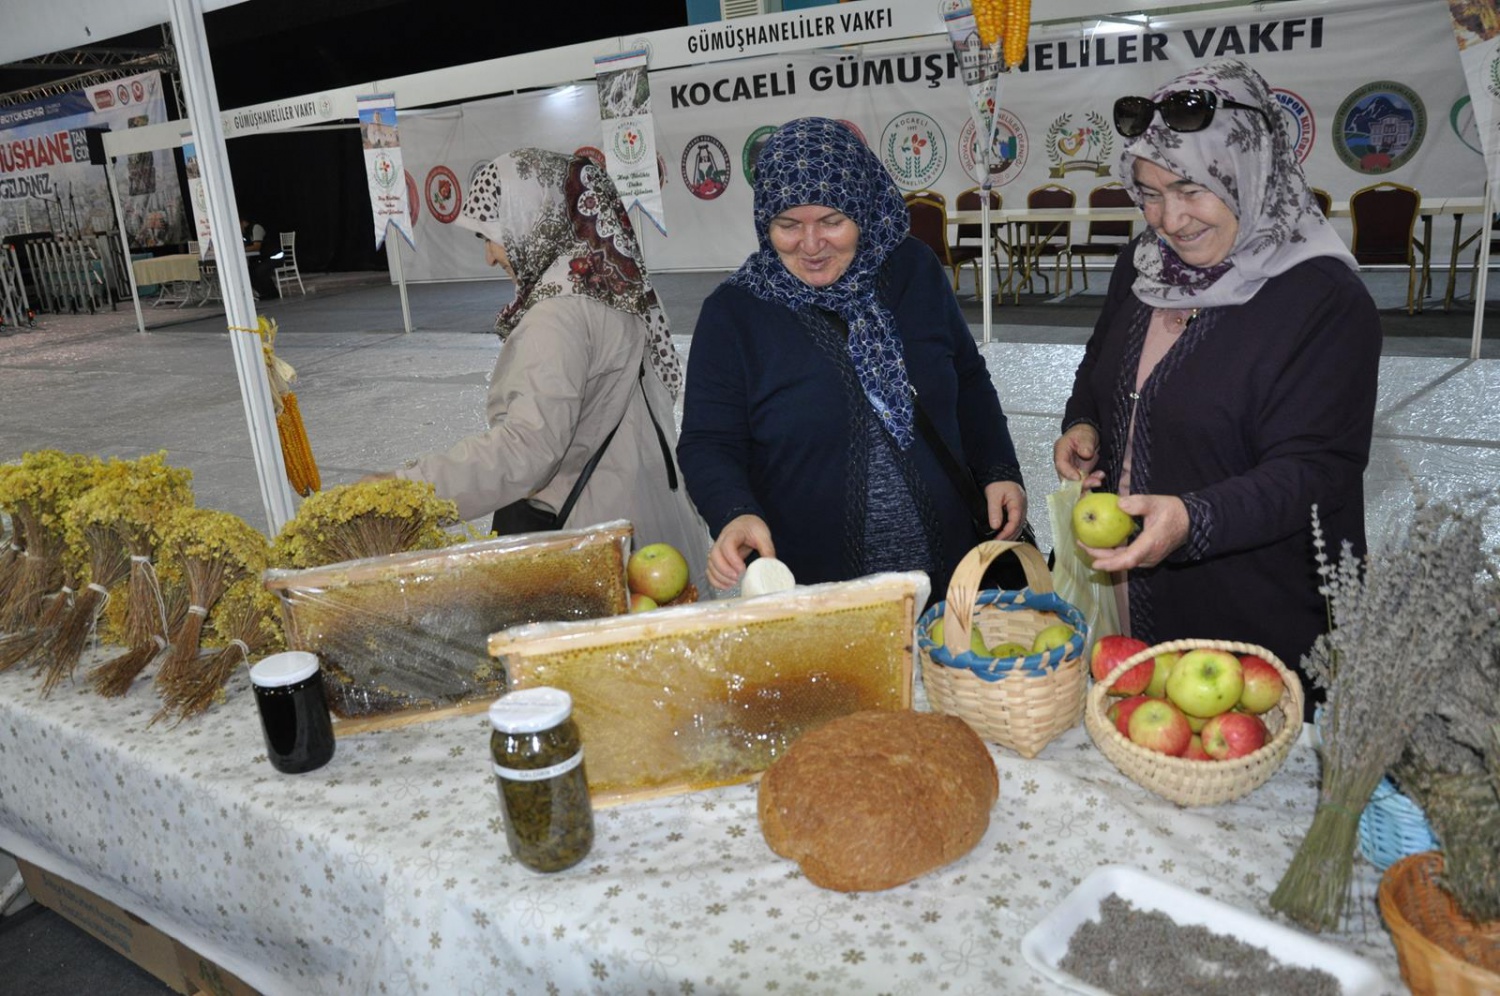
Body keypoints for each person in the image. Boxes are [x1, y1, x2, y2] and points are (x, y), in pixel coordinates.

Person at [1051, 59, 1380, 710]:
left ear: (1249, 170)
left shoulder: (1322, 298)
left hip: (1253, 610)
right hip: (1132, 596)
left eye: (1193, 189)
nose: (1170, 219)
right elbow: (1101, 366)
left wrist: (1193, 519)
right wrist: (1085, 422)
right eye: (1148, 192)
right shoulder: (1142, 266)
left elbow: (1317, 468)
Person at [677, 117, 1028, 602]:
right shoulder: (735, 314)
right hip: (816, 584)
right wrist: (733, 510)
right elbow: (707, 442)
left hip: (953, 570)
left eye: (832, 221)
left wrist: (998, 468)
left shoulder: (914, 271)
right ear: (764, 222)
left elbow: (967, 379)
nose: (812, 244)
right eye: (788, 225)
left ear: (863, 207)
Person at [372, 149, 711, 594]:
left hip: (591, 535)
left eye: (490, 236)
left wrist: (403, 490)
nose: (491, 256)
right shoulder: (615, 281)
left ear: (534, 221)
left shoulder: (558, 315)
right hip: (650, 509)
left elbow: (525, 451)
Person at [240, 216, 280, 300]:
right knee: (249, 271)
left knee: (260, 270)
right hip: (263, 258)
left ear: (243, 222)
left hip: (274, 256)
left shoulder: (256, 228)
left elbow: (256, 246)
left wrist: (241, 249)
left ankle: (272, 293)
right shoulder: (246, 234)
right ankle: (264, 293)